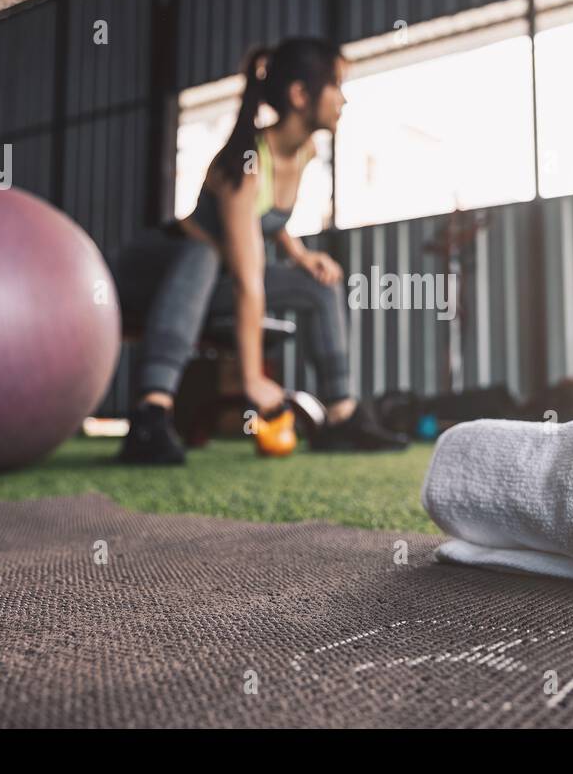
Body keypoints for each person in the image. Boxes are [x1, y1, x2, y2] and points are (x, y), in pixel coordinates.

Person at [113, 37, 408, 464]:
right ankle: (151, 413)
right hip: (155, 272)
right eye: (337, 85)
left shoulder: (304, 151)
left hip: (215, 282)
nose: (344, 99)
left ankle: (341, 417)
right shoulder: (245, 163)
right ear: (300, 95)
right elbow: (249, 282)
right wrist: (252, 378)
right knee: (204, 256)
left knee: (319, 284)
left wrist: (300, 253)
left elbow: (268, 219)